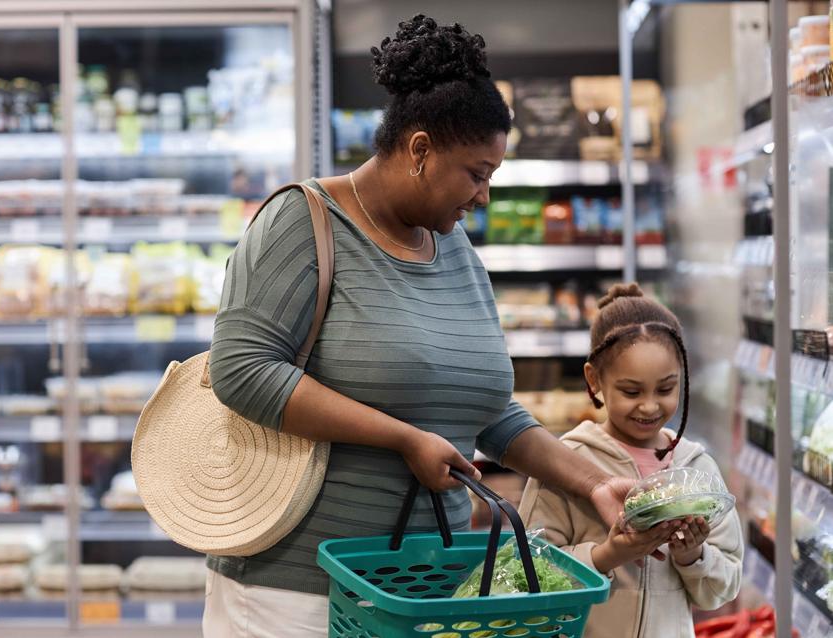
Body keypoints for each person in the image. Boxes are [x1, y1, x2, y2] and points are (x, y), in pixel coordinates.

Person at [203, 16, 678, 637]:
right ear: (420, 150)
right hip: (293, 589)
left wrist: (596, 486)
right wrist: (403, 438)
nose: (483, 196)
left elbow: (490, 414)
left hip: (423, 589)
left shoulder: (455, 254)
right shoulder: (303, 222)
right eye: (477, 173)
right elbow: (241, 370)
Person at [520, 283, 744, 638]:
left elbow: (722, 590)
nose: (650, 406)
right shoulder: (567, 463)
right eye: (631, 391)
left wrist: (693, 556)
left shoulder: (696, 470)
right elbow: (528, 574)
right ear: (594, 380)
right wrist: (606, 555)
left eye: (666, 388)